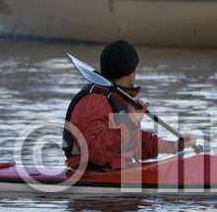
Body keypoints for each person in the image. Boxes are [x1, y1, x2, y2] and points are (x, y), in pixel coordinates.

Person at [63, 40, 193, 171]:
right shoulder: (94, 101)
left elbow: (134, 144)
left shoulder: (119, 98)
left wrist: (174, 146)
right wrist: (130, 123)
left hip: (116, 172)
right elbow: (96, 152)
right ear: (132, 70)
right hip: (94, 176)